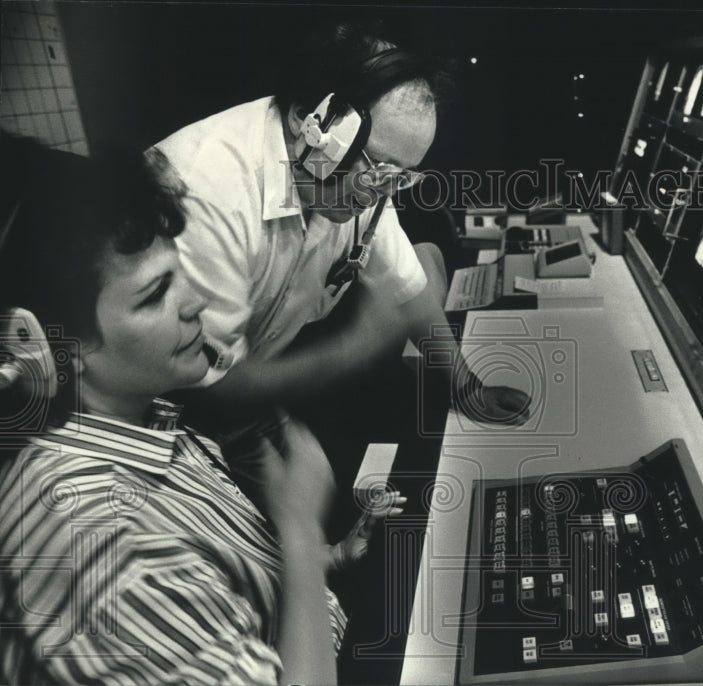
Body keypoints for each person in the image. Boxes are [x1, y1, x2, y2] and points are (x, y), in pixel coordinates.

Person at [0, 137, 401, 684]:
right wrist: (301, 529)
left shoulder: (152, 420)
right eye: (154, 294)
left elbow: (217, 601)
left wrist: (329, 558)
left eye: (181, 271)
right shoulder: (94, 544)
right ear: (51, 345)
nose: (196, 303)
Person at [153, 21, 529, 496]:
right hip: (162, 421)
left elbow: (410, 291)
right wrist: (354, 348)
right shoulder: (206, 191)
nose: (382, 195)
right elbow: (214, 387)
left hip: (244, 391)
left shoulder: (352, 181)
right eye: (377, 170)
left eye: (402, 177)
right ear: (305, 121)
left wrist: (466, 387)